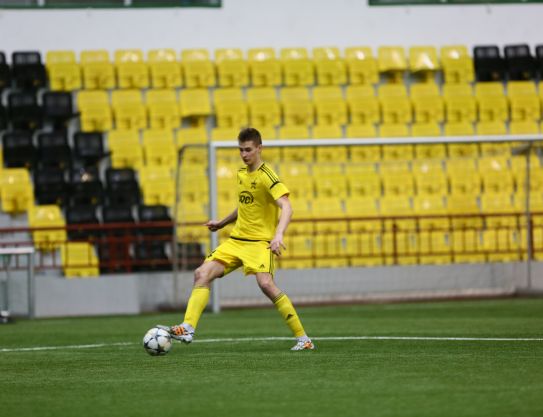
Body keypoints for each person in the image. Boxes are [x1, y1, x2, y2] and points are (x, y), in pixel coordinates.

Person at [159, 127, 314, 351]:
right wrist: (222, 222)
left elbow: (287, 207)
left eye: (248, 150)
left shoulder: (267, 176)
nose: (244, 154)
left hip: (260, 243)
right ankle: (188, 327)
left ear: (259, 148)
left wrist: (278, 234)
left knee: (266, 284)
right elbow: (244, 205)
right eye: (240, 150)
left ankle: (304, 339)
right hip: (236, 241)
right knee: (201, 273)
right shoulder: (242, 173)